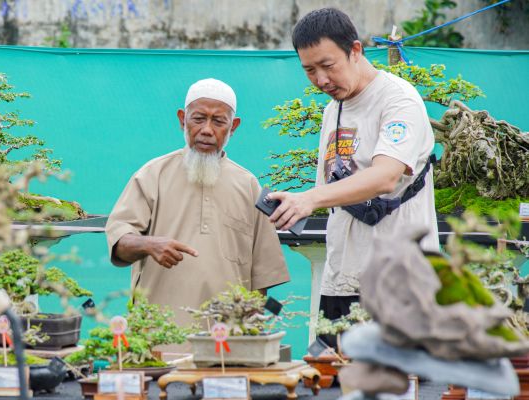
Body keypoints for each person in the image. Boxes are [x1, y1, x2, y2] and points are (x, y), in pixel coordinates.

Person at [267, 8, 439, 320]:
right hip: (342, 280)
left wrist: (310, 198)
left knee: (395, 370)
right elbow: (330, 189)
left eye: (327, 65)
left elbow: (386, 176)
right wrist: (291, 204)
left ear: (355, 50)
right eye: (309, 70)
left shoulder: (398, 100)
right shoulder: (333, 111)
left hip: (401, 281)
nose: (320, 79)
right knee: (336, 368)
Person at [105, 78, 289, 325]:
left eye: (218, 121)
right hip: (160, 337)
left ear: (233, 126)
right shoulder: (152, 175)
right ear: (183, 119)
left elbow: (261, 275)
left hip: (226, 341)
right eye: (198, 119)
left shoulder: (248, 184)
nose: (207, 130)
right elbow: (119, 242)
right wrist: (149, 244)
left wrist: (250, 335)